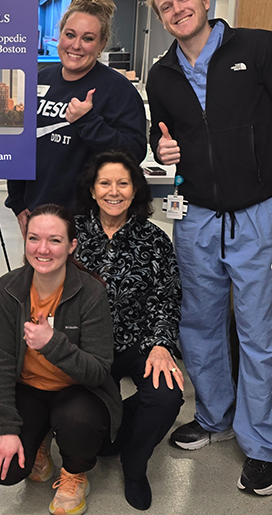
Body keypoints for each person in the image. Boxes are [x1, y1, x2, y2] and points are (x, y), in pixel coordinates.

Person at [145, 0, 272, 496]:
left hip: (259, 213)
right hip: (195, 216)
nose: (177, 10)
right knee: (198, 325)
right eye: (166, 7)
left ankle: (263, 444)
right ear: (161, 19)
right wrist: (161, 150)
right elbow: (162, 137)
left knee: (261, 332)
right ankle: (217, 418)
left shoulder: (259, 48)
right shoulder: (162, 74)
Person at [0, 204, 120, 515]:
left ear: (71, 246)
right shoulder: (8, 289)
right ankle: (38, 437)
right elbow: (0, 364)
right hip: (28, 387)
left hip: (79, 389)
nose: (42, 249)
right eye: (34, 238)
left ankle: (75, 473)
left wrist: (52, 344)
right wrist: (6, 428)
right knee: (4, 470)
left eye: (55, 240)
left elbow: (98, 371)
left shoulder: (91, 293)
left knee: (78, 420)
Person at [73, 150, 184, 510]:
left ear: (135, 190)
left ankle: (135, 464)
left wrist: (160, 345)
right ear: (92, 189)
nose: (114, 191)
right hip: (84, 346)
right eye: (105, 183)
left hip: (137, 341)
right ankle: (100, 439)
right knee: (88, 426)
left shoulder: (154, 241)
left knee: (166, 393)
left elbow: (166, 298)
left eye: (123, 183)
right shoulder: (71, 234)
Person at [6, 0, 147, 235]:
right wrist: (18, 203)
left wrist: (88, 122)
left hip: (93, 223)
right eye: (70, 35)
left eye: (88, 38)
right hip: (40, 217)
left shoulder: (117, 90)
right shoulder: (40, 80)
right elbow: (20, 145)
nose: (76, 46)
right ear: (59, 36)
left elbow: (134, 153)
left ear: (102, 44)